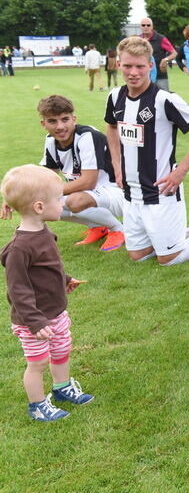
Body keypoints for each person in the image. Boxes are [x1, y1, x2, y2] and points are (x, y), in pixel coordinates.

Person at [104, 36, 189, 266]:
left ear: (150, 66)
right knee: (138, 256)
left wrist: (181, 171)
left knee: (169, 258)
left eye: (140, 66)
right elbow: (111, 128)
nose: (133, 72)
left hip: (161, 191)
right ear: (118, 64)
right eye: (128, 66)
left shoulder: (164, 99)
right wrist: (116, 165)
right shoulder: (115, 97)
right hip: (132, 194)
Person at [1, 165, 93, 421]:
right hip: (34, 321)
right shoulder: (19, 249)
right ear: (39, 207)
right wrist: (35, 322)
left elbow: (49, 267)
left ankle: (62, 388)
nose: (63, 202)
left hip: (55, 312)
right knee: (38, 362)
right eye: (58, 199)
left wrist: (64, 279)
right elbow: (18, 290)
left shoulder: (43, 233)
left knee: (62, 349)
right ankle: (38, 404)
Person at [37, 95, 125, 252]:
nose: (60, 126)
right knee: (41, 205)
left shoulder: (87, 136)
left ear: (74, 119)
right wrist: (22, 196)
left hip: (117, 192)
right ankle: (98, 227)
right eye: (52, 121)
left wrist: (48, 191)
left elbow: (88, 182)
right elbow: (45, 177)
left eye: (65, 119)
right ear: (43, 124)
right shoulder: (50, 141)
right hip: (91, 194)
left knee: (74, 201)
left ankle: (118, 229)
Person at [139, 17, 177, 91]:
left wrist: (165, 59)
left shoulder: (161, 38)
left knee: (164, 98)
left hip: (160, 76)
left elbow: (174, 53)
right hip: (143, 76)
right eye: (143, 25)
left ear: (152, 26)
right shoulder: (138, 40)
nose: (146, 27)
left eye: (148, 25)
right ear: (140, 27)